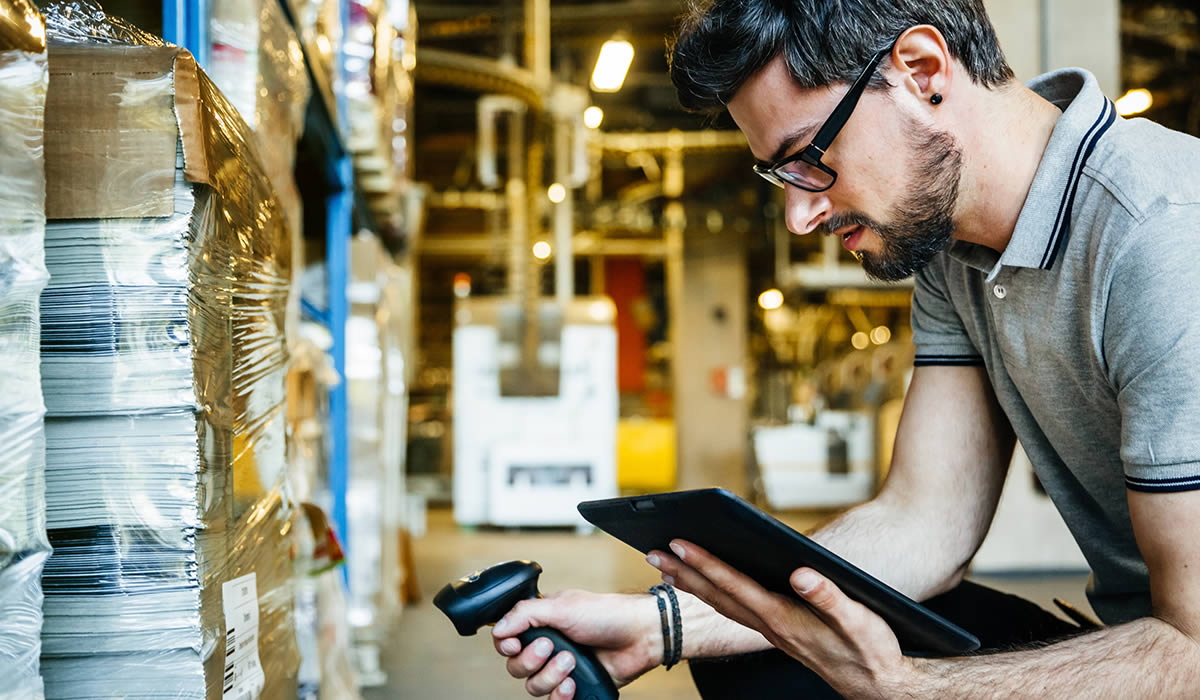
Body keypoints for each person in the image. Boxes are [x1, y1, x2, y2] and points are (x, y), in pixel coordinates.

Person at [490, 1, 1200, 697]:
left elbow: (1192, 649)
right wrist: (662, 624)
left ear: (922, 72)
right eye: (782, 176)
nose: (800, 215)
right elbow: (925, 522)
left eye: (809, 158)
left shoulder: (1164, 235)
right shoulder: (954, 253)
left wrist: (907, 686)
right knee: (762, 647)